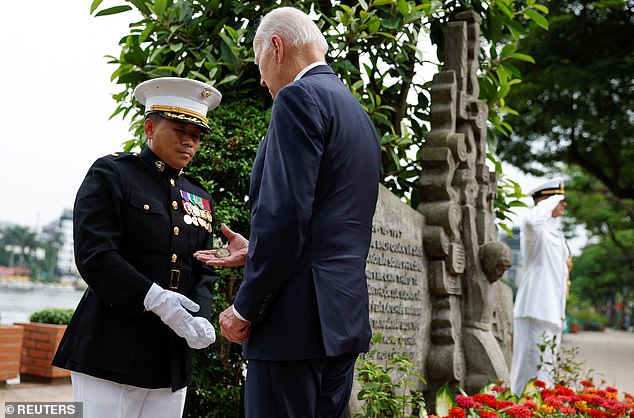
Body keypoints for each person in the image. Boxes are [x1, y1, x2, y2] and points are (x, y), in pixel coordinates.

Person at [195, 6, 381, 417]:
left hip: (292, 324)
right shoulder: (356, 113)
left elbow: (285, 218)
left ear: (276, 47)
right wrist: (255, 247)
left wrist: (245, 307)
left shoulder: (298, 97)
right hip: (341, 320)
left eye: (259, 60)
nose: (261, 79)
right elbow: (329, 221)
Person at [52, 77, 221, 417]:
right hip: (110, 347)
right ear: (149, 127)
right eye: (180, 130)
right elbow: (95, 255)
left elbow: (203, 268)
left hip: (170, 358)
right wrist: (155, 298)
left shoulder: (199, 197)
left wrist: (200, 316)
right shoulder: (113, 174)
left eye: (197, 135)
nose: (190, 142)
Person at [510, 178, 570, 395]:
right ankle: (517, 408)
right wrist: (548, 202)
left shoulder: (555, 234)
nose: (564, 205)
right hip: (534, 309)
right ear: (546, 201)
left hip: (551, 311)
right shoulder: (536, 231)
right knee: (528, 371)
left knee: (545, 373)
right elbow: (533, 222)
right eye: (559, 200)